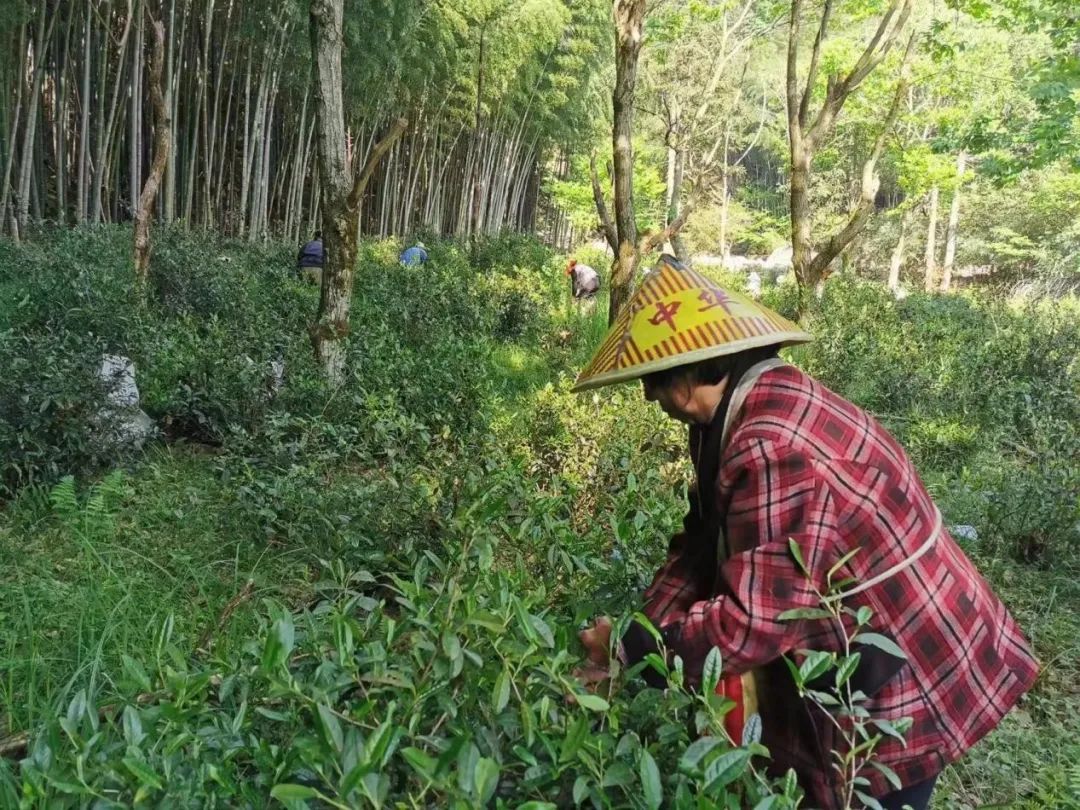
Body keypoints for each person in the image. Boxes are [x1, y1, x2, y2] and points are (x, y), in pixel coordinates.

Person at [572, 255, 1038, 810]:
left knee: (875, 787)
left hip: (904, 652)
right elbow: (699, 545)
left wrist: (632, 650)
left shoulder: (771, 443)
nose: (649, 396)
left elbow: (754, 623)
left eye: (654, 379)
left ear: (699, 369)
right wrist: (639, 630)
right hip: (867, 640)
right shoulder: (731, 414)